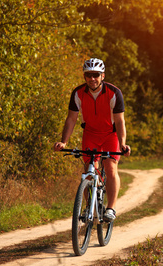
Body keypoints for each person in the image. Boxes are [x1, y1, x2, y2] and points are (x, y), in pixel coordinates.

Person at [53, 58, 131, 222]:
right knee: (88, 172)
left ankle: (110, 208)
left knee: (110, 168)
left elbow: (119, 121)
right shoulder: (78, 93)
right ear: (84, 76)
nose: (92, 78)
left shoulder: (114, 93)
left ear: (103, 75)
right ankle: (89, 206)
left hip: (110, 135)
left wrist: (122, 143)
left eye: (96, 75)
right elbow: (71, 119)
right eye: (88, 75)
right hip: (90, 134)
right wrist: (64, 142)